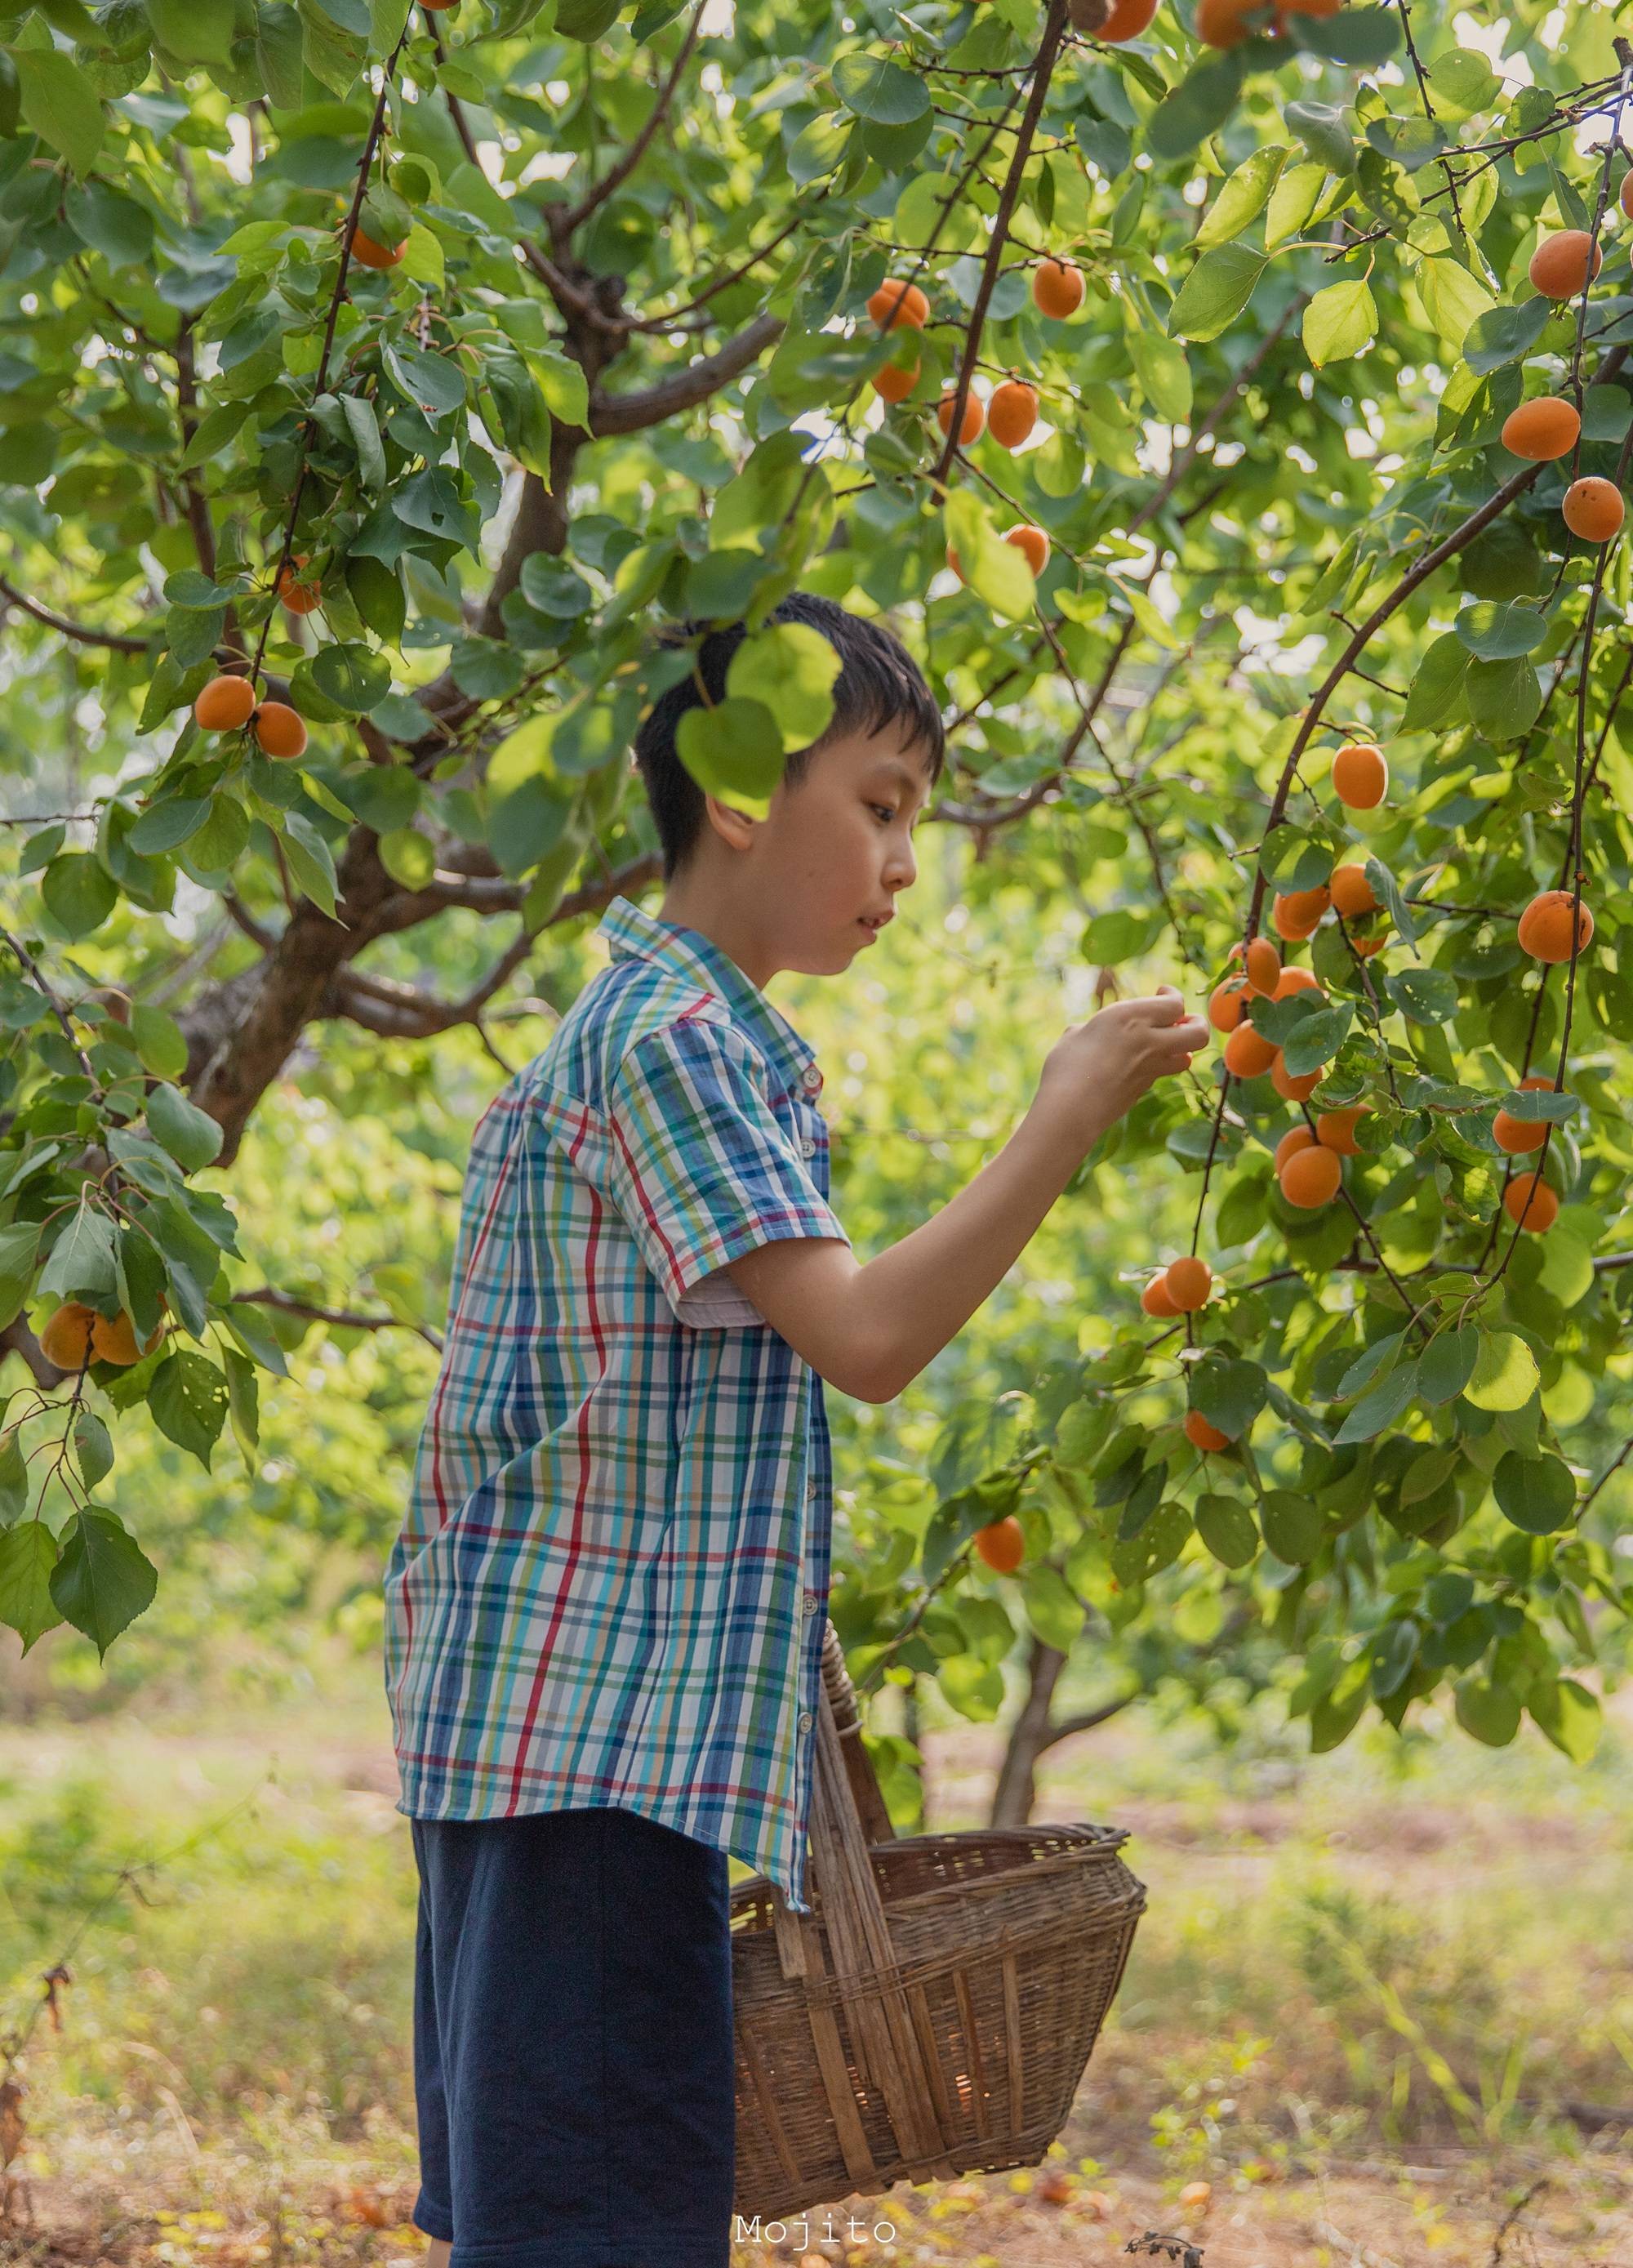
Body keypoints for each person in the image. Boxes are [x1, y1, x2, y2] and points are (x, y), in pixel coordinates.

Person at [381, 590, 1208, 2268]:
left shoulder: (678, 1035)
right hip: (585, 1758)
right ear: (742, 789)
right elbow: (869, 1336)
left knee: (585, 2205)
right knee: (598, 2224)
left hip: (567, 1740)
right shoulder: (679, 1046)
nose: (905, 860)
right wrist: (1061, 1114)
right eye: (882, 807)